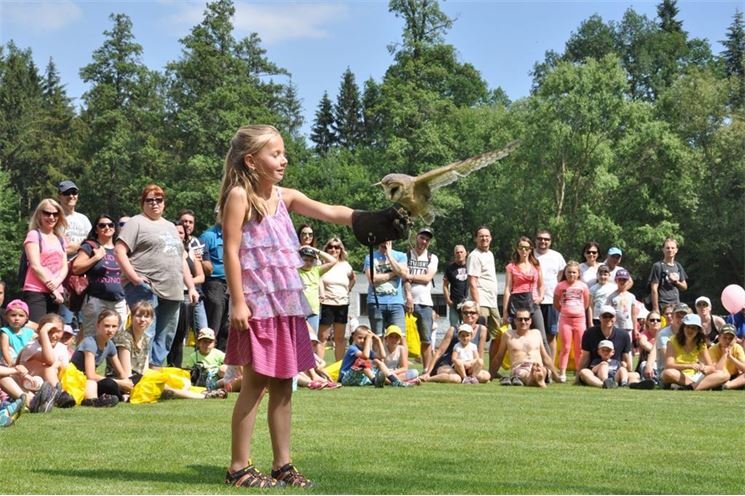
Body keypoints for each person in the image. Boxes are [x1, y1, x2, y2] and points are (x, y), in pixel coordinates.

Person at [219, 125, 404, 488]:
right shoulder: (240, 196)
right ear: (252, 161)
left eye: (284, 152)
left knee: (285, 386)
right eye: (275, 154)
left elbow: (330, 212)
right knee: (255, 386)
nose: (284, 159)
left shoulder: (285, 198)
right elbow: (230, 249)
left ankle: (282, 464)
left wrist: (370, 218)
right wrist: (238, 302)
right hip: (258, 306)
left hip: (286, 305)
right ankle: (238, 467)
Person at [114, 184, 199, 367]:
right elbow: (119, 251)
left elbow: (181, 258)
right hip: (146, 287)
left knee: (166, 334)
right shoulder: (136, 222)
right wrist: (134, 278)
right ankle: (138, 370)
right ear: (142, 203)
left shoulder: (170, 226)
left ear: (164, 203)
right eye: (149, 200)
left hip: (174, 289)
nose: (154, 204)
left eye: (158, 200)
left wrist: (191, 286)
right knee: (146, 331)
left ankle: (154, 369)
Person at [72, 214, 128, 338]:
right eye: (102, 225)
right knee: (92, 337)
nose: (107, 227)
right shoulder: (90, 247)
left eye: (110, 225)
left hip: (119, 300)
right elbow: (76, 268)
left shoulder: (121, 249)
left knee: (118, 338)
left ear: (115, 228)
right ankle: (89, 358)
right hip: (96, 300)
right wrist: (96, 258)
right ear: (96, 229)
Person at [168, 220, 208, 368]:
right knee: (167, 334)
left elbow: (201, 276)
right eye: (174, 232)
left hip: (186, 296)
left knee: (180, 335)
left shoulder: (191, 253)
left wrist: (187, 282)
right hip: (168, 294)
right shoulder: (165, 253)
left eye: (180, 232)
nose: (177, 235)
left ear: (185, 236)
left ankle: (175, 366)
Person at [70, 309, 130, 406]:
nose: (110, 330)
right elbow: (91, 375)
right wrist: (121, 383)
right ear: (98, 326)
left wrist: (127, 382)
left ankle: (123, 395)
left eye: (114, 326)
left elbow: (121, 373)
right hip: (80, 381)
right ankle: (122, 397)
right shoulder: (89, 343)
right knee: (109, 384)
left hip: (93, 381)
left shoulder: (110, 344)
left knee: (138, 378)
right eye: (106, 326)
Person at [22, 198, 68, 322]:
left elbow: (64, 266)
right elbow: (35, 266)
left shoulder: (60, 238)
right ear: (39, 215)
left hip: (56, 293)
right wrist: (52, 287)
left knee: (53, 331)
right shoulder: (34, 235)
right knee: (36, 330)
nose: (51, 217)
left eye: (55, 214)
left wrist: (57, 283)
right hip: (36, 291)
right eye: (47, 213)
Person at [422, 300, 490, 384]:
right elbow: (439, 352)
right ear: (462, 314)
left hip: (469, 365)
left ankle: (469, 378)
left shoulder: (482, 329)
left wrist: (476, 367)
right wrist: (428, 372)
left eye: (472, 312)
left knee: (485, 376)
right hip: (450, 364)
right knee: (455, 378)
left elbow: (480, 355)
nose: (469, 315)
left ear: (478, 315)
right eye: (465, 312)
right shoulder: (453, 329)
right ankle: (428, 378)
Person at [492, 308, 558, 388]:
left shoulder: (536, 333)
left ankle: (535, 377)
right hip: (520, 367)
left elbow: (545, 357)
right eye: (520, 319)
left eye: (526, 319)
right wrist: (490, 375)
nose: (523, 322)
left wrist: (556, 376)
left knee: (542, 370)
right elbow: (499, 357)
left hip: (538, 365)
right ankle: (535, 379)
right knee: (523, 373)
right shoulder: (508, 335)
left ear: (530, 321)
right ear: (515, 321)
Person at [661, 314, 729, 390]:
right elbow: (668, 365)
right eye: (688, 327)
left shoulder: (701, 343)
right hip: (679, 374)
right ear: (683, 328)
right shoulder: (672, 341)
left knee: (725, 375)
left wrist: (704, 368)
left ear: (698, 330)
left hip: (697, 375)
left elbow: (711, 367)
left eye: (693, 328)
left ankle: (690, 387)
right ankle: (701, 386)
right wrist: (690, 365)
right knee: (667, 373)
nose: (690, 330)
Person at [467, 226, 502, 376]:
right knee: (478, 336)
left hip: (492, 301)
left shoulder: (490, 254)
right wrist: (477, 304)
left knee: (498, 335)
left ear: (491, 238)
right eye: (481, 236)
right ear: (476, 239)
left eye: (487, 236)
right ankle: (475, 368)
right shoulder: (474, 256)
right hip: (482, 302)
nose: (484, 239)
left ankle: (492, 370)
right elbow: (473, 281)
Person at [577, 305, 639, 387]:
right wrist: (578, 375)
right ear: (600, 318)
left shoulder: (623, 335)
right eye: (605, 316)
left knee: (635, 375)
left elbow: (626, 357)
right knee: (584, 372)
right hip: (595, 373)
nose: (608, 319)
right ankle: (603, 384)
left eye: (611, 316)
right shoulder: (589, 333)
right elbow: (585, 356)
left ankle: (631, 384)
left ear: (615, 318)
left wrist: (628, 370)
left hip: (615, 371)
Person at [404, 227, 438, 370]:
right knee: (403, 338)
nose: (423, 241)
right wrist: (409, 296)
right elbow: (403, 278)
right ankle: (402, 368)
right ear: (416, 237)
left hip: (425, 303)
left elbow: (427, 278)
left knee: (426, 339)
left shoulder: (432, 257)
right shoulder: (405, 256)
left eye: (426, 239)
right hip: (406, 302)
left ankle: (426, 370)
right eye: (421, 238)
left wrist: (410, 277)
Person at [318, 237, 356, 362]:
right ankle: (320, 368)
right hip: (327, 303)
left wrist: (348, 290)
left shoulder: (346, 265)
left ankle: (339, 367)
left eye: (337, 247)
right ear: (326, 249)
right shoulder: (322, 264)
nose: (333, 249)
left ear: (341, 250)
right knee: (323, 337)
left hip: (342, 304)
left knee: (340, 338)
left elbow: (353, 278)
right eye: (331, 247)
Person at [503, 237, 545, 346]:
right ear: (517, 249)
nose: (524, 250)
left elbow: (541, 285)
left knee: (541, 337)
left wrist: (540, 298)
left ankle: (547, 363)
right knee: (519, 338)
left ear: (531, 249)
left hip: (533, 302)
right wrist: (505, 312)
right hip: (516, 304)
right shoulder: (511, 267)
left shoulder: (536, 265)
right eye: (521, 247)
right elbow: (508, 289)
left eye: (526, 248)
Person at [554, 261, 590, 383]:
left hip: (579, 320)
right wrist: (565, 310)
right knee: (565, 347)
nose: (571, 275)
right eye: (569, 272)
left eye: (574, 272)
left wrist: (578, 311)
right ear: (565, 272)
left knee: (579, 348)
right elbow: (556, 303)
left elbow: (586, 303)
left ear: (578, 273)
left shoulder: (583, 286)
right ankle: (562, 372)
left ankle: (579, 373)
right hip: (565, 320)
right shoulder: (560, 286)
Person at [199, 210, 230, 351]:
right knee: (215, 318)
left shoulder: (235, 234)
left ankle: (222, 358)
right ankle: (207, 354)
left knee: (228, 323)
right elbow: (200, 260)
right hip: (214, 283)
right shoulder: (208, 236)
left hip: (231, 283)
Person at [364, 241, 409, 336]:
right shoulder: (370, 257)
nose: (384, 242)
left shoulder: (401, 256)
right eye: (382, 240)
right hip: (376, 303)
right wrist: (394, 274)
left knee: (400, 337)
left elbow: (404, 275)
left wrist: (389, 255)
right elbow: (372, 279)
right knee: (378, 338)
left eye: (387, 240)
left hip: (396, 303)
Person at [338, 325, 406, 387]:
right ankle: (375, 381)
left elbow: (382, 356)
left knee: (377, 361)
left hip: (359, 378)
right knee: (362, 361)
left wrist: (379, 340)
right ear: (354, 337)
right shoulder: (352, 348)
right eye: (360, 338)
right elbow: (365, 356)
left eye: (365, 338)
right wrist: (368, 340)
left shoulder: (367, 350)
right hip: (346, 378)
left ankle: (394, 381)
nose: (362, 341)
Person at [534, 229, 566, 359]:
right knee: (533, 335)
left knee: (551, 335)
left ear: (550, 242)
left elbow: (561, 275)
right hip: (533, 301)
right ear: (535, 240)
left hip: (551, 301)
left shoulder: (557, 256)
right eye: (540, 238)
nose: (543, 241)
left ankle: (550, 367)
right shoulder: (529, 255)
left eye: (546, 239)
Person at [298, 245, 337, 341]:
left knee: (312, 340)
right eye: (305, 260)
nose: (308, 263)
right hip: (299, 312)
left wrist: (316, 250)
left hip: (313, 312)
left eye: (311, 260)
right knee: (299, 340)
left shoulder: (316, 270)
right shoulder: (295, 271)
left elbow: (333, 261)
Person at [112, 300, 153, 388]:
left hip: (139, 378)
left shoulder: (146, 338)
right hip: (124, 381)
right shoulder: (124, 337)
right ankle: (190, 395)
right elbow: (126, 373)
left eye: (146, 316)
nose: (142, 320)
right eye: (138, 316)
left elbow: (145, 370)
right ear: (131, 317)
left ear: (151, 320)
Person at [647, 237, 688, 314]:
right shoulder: (658, 266)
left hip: (676, 305)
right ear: (663, 250)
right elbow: (654, 288)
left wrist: (676, 282)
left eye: (673, 248)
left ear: (676, 250)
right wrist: (655, 308)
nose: (670, 250)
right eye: (667, 248)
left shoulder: (678, 266)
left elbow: (684, 287)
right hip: (663, 304)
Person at [654, 303, 691, 377]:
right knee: (669, 373)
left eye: (684, 317)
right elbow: (668, 359)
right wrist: (691, 365)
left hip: (689, 370)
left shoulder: (692, 333)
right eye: (678, 316)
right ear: (673, 316)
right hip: (668, 370)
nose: (681, 319)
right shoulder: (663, 334)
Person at [57, 180, 91, 257]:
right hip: (63, 265)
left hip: (84, 264)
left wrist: (75, 247)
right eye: (66, 193)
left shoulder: (84, 219)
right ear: (59, 197)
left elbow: (92, 243)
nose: (71, 196)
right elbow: (59, 249)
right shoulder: (54, 219)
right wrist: (84, 246)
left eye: (74, 192)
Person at [630, 311, 662, 389]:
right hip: (646, 363)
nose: (655, 322)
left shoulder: (664, 334)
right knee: (645, 364)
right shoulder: (643, 335)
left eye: (658, 320)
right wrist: (658, 352)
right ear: (647, 322)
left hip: (661, 363)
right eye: (652, 320)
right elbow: (644, 343)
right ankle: (650, 382)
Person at [707, 324, 745, 390]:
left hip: (734, 377)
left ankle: (726, 386)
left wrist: (731, 357)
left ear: (735, 339)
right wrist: (724, 355)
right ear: (719, 338)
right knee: (719, 375)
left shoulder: (738, 348)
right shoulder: (712, 349)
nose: (727, 341)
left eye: (731, 338)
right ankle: (732, 385)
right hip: (720, 376)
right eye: (724, 337)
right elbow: (716, 371)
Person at [0, 300, 35, 366]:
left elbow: (39, 341)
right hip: (9, 364)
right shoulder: (5, 332)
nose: (17, 318)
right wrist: (11, 364)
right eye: (13, 315)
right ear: (6, 317)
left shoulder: (29, 332)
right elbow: (5, 350)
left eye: (21, 315)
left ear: (26, 318)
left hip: (25, 363)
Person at [608, 269, 637, 345]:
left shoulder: (631, 296)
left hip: (628, 326)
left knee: (627, 348)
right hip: (615, 327)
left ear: (628, 281)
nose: (622, 281)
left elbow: (633, 314)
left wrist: (636, 329)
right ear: (616, 280)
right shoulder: (611, 296)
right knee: (616, 346)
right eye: (620, 279)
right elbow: (609, 313)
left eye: (624, 279)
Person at [443, 244, 469, 328]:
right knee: (454, 328)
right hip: (454, 302)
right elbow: (445, 285)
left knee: (468, 327)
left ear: (466, 253)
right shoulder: (450, 268)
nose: (459, 254)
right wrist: (448, 300)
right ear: (454, 254)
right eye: (457, 252)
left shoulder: (471, 265)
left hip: (468, 302)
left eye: (461, 252)